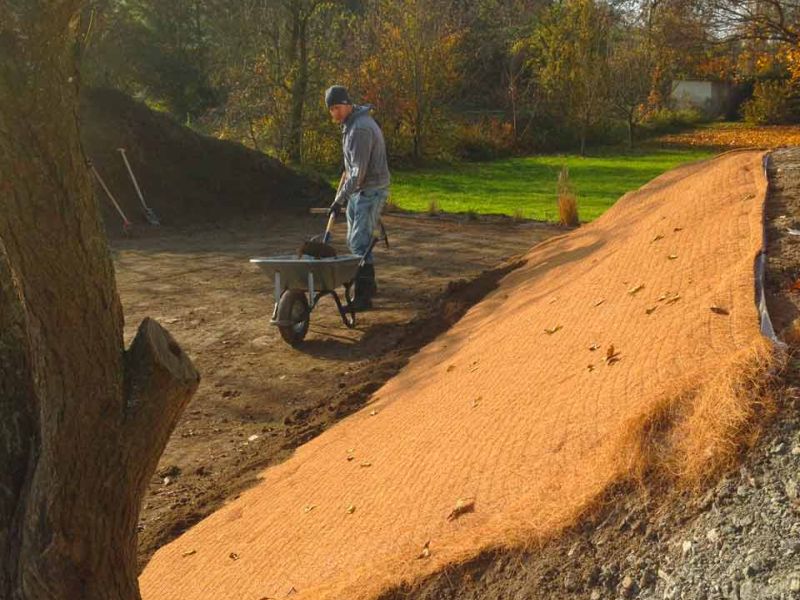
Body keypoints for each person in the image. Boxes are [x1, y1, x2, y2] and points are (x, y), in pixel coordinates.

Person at [325, 85, 390, 311]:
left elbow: (358, 173)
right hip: (359, 189)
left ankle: (363, 299)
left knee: (358, 243)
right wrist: (344, 194)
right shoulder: (350, 124)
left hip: (370, 189)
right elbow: (350, 168)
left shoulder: (359, 129)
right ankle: (368, 286)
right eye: (331, 109)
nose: (335, 112)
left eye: (338, 107)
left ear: (347, 104)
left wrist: (338, 200)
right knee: (357, 241)